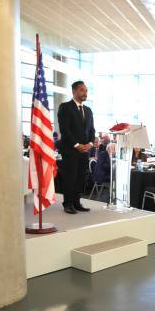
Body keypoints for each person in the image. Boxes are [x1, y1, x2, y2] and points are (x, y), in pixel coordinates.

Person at [57, 80, 95, 214]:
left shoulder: (88, 110)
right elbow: (65, 130)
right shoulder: (65, 107)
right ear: (74, 91)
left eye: (86, 90)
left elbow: (92, 130)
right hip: (70, 150)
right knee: (70, 177)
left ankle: (77, 202)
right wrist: (77, 145)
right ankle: (67, 203)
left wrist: (89, 144)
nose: (85, 93)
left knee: (80, 177)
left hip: (84, 151)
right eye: (82, 90)